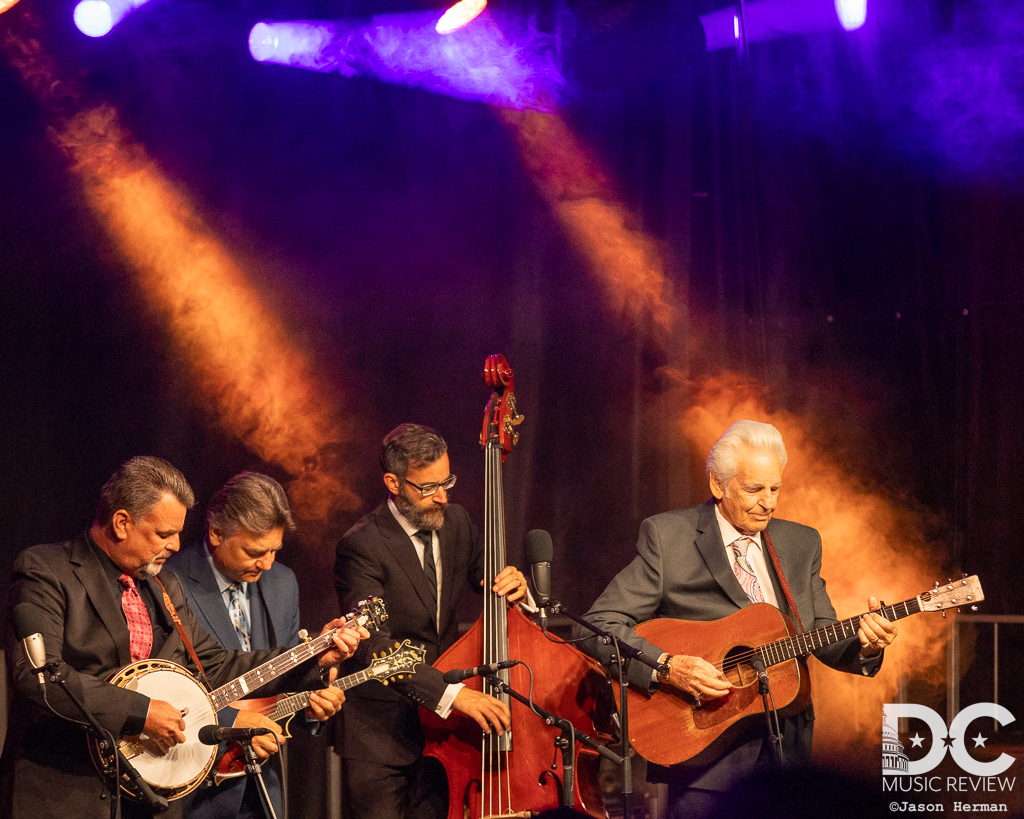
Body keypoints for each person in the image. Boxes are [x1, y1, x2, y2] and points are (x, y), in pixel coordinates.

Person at [2, 456, 367, 819]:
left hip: (148, 797)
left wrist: (314, 655)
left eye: (178, 533)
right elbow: (40, 677)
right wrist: (142, 713)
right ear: (122, 523)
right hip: (65, 792)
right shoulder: (46, 569)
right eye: (164, 534)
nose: (177, 545)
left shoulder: (162, 584)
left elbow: (216, 663)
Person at [578, 420, 898, 819]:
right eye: (754, 489)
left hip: (787, 754)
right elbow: (597, 625)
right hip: (703, 754)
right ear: (718, 484)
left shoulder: (801, 543)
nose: (769, 502)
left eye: (775, 488)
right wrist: (666, 667)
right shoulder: (669, 537)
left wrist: (865, 642)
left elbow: (818, 630)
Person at [333, 423, 530, 819]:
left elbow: (488, 578)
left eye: (447, 482)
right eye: (427, 487)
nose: (442, 496)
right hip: (381, 733)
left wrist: (515, 582)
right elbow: (372, 645)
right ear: (393, 482)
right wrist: (453, 693)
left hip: (445, 735)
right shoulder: (361, 546)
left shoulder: (456, 522)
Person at [166, 471, 345, 819]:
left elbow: (283, 680)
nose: (267, 564)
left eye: (274, 550)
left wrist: (310, 702)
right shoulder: (169, 581)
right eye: (254, 551)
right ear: (216, 533)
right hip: (195, 791)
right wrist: (238, 725)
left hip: (262, 788)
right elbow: (171, 691)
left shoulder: (282, 582)